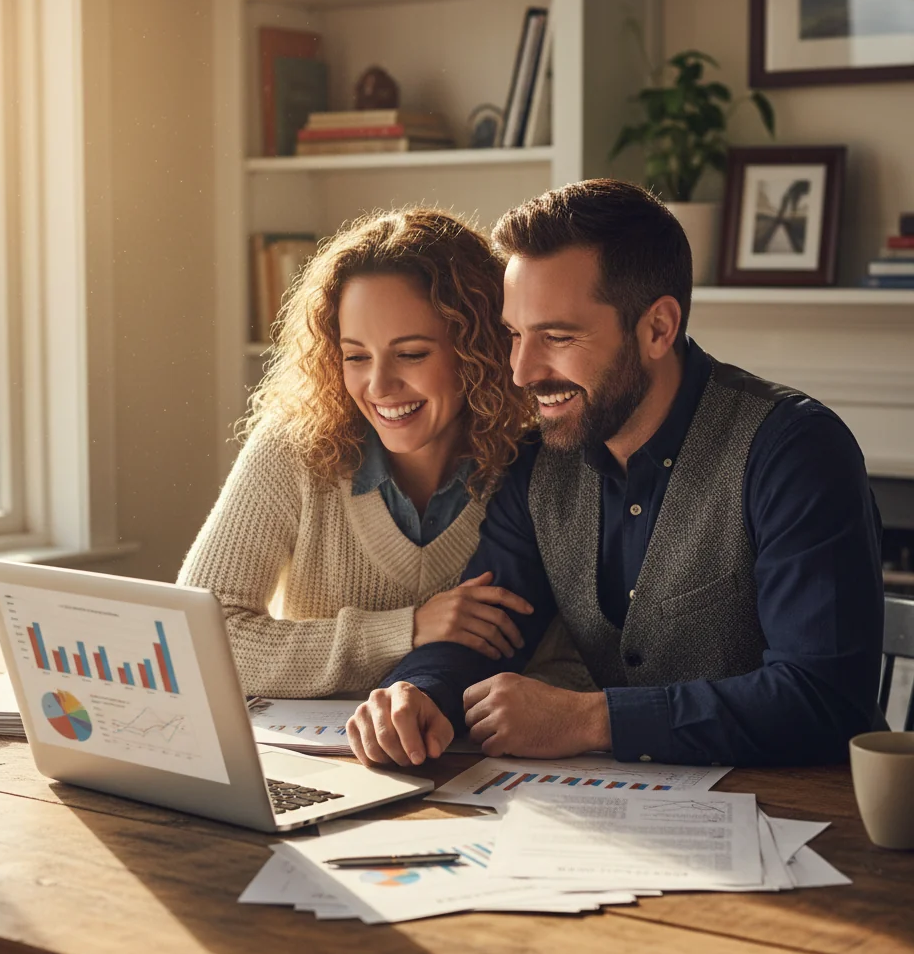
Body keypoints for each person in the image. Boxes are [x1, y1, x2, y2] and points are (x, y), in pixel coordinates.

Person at [347, 179, 885, 769]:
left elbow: (826, 700)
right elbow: (487, 625)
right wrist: (417, 692)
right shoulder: (538, 459)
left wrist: (592, 719)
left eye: (557, 336)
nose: (523, 371)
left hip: (804, 819)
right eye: (514, 335)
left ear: (658, 328)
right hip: (629, 819)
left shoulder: (794, 450)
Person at [178, 208, 554, 698]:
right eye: (355, 356)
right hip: (316, 764)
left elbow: (563, 664)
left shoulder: (538, 465)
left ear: (477, 350)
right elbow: (197, 640)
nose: (379, 386)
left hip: (476, 760)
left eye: (412, 353)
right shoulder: (293, 449)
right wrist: (408, 630)